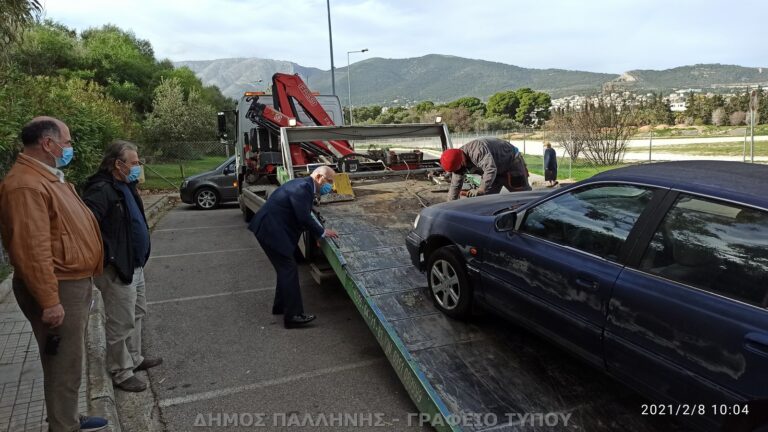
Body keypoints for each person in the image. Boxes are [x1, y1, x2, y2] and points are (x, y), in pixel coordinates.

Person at [0, 117, 109, 432]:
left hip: (71, 282)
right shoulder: (25, 185)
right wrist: (49, 300)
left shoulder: (46, 178)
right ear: (48, 144)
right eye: (68, 141)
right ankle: (64, 425)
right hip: (59, 287)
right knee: (63, 365)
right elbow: (31, 249)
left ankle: (67, 416)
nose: (70, 147)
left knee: (70, 361)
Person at [82, 141, 163, 393]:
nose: (138, 167)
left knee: (137, 313)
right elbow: (88, 227)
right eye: (134, 163)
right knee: (120, 321)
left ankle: (134, 358)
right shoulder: (101, 189)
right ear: (118, 164)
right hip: (118, 268)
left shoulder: (126, 185)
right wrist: (110, 257)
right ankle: (120, 370)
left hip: (135, 264)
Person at [248, 166, 339, 329]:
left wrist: (318, 233)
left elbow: (303, 209)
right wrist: (322, 232)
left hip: (270, 229)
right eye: (329, 181)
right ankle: (293, 316)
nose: (331, 186)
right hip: (271, 231)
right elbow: (303, 216)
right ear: (319, 177)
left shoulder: (303, 184)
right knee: (288, 269)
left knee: (285, 269)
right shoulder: (303, 188)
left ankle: (280, 306)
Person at [440, 137, 531, 201]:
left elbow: (490, 169)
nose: (459, 172)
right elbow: (455, 186)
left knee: (522, 197)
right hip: (495, 169)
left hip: (511, 163)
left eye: (459, 168)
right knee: (487, 200)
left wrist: (481, 189)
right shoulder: (457, 162)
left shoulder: (476, 150)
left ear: (462, 159)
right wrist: (450, 206)